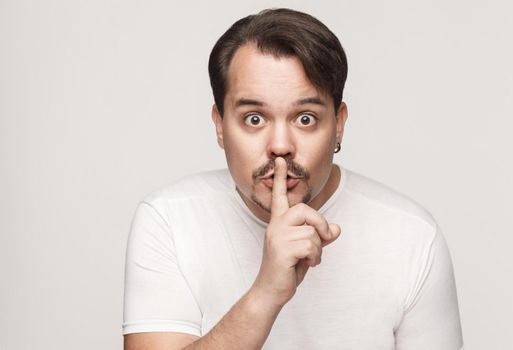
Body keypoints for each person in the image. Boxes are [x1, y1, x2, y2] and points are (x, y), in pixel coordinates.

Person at [123, 8, 463, 350]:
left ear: (339, 124)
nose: (281, 147)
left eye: (305, 119)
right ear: (220, 125)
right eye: (254, 119)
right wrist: (266, 294)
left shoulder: (413, 237)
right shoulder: (169, 220)